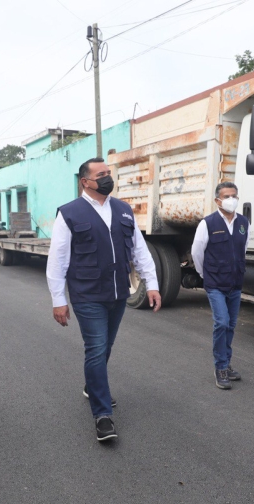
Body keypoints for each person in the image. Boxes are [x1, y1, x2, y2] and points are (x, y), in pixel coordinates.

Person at [46, 157, 161, 441]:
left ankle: (92, 385)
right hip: (87, 294)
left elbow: (139, 251)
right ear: (85, 182)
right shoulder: (70, 214)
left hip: (118, 293)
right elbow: (57, 261)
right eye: (101, 174)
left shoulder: (122, 210)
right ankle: (102, 414)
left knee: (106, 346)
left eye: (109, 173)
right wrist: (58, 300)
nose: (108, 178)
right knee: (96, 348)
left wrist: (153, 284)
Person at [191, 182, 249, 390]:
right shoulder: (208, 223)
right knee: (222, 323)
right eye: (226, 196)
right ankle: (220, 367)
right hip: (215, 283)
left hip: (235, 282)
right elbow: (197, 253)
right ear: (218, 200)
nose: (231, 199)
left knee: (231, 325)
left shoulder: (243, 222)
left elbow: (244, 249)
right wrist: (203, 275)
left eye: (234, 195)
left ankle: (227, 362)